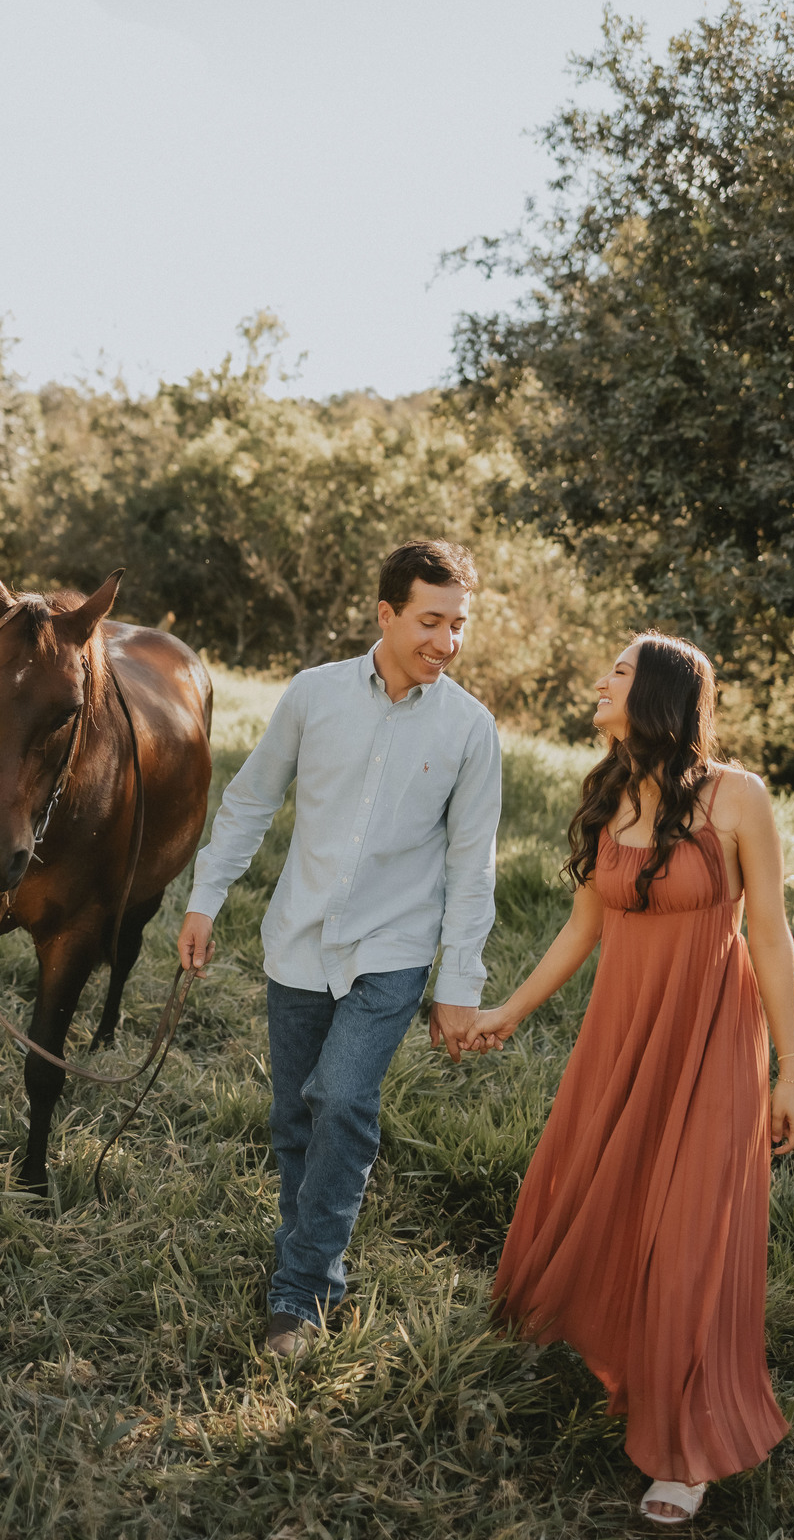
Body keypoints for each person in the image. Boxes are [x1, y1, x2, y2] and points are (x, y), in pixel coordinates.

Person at [466, 633, 794, 1527]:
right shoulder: (609, 794)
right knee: (609, 1192)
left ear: (656, 692)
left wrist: (792, 1071)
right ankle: (603, 1345)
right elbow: (583, 928)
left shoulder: (738, 797)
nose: (598, 680)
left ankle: (684, 1445)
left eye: (616, 672)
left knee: (694, 1231)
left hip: (711, 1038)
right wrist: (510, 1010)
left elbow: (770, 934)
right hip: (621, 1035)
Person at [177, 539, 502, 1359]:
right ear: (386, 614)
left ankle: (303, 1293)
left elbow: (472, 868)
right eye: (430, 621)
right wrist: (206, 899)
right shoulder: (312, 694)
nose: (446, 641)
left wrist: (458, 985)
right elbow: (251, 801)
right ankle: (303, 1251)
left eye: (458, 625)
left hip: (393, 949)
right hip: (297, 938)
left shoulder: (470, 729)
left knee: (342, 1099)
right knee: (295, 1119)